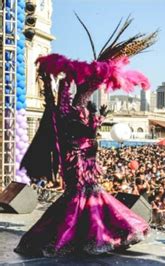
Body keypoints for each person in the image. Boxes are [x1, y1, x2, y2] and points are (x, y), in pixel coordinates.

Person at [14, 17, 157, 257]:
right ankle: (76, 238)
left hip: (87, 162)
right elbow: (71, 120)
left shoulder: (78, 111)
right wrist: (56, 84)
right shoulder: (67, 114)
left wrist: (94, 121)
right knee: (79, 198)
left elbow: (87, 131)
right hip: (76, 162)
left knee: (91, 198)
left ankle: (93, 236)